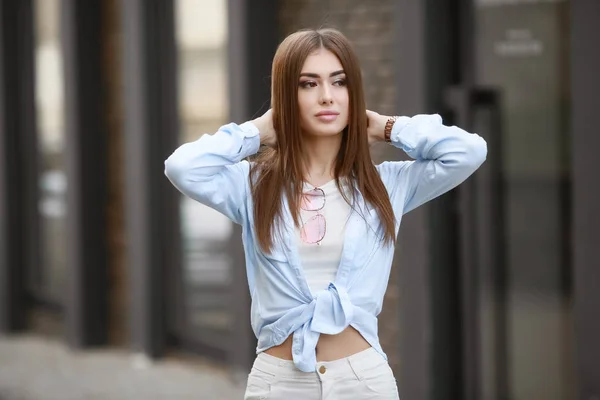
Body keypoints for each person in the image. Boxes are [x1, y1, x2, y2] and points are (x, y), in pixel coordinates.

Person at [165, 28, 486, 400]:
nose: (327, 97)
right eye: (308, 84)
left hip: (363, 382)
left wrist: (387, 126)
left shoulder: (387, 185)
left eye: (339, 82)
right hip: (278, 382)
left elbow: (468, 151)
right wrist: (257, 131)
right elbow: (182, 167)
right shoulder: (251, 186)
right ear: (287, 96)